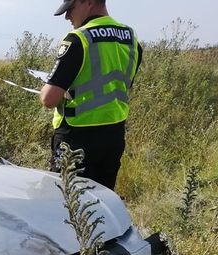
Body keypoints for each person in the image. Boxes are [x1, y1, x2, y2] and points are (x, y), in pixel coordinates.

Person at [39, 0, 142, 190]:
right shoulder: (130, 37)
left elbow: (49, 99)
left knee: (67, 201)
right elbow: (118, 84)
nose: (67, 16)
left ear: (88, 2)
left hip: (76, 137)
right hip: (114, 134)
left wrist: (47, 88)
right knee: (101, 202)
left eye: (70, 9)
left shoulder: (78, 39)